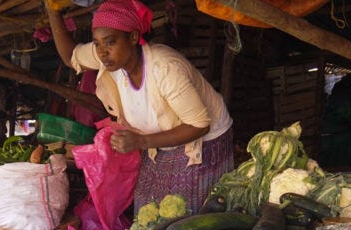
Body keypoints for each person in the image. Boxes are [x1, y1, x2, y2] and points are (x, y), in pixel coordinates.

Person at [46, 0, 234, 213]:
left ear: (133, 37)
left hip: (204, 139)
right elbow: (71, 56)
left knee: (187, 213)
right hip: (161, 137)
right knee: (149, 208)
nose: (102, 52)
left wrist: (141, 141)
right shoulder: (111, 59)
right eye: (97, 43)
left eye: (110, 42)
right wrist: (53, 11)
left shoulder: (165, 69)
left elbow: (200, 125)